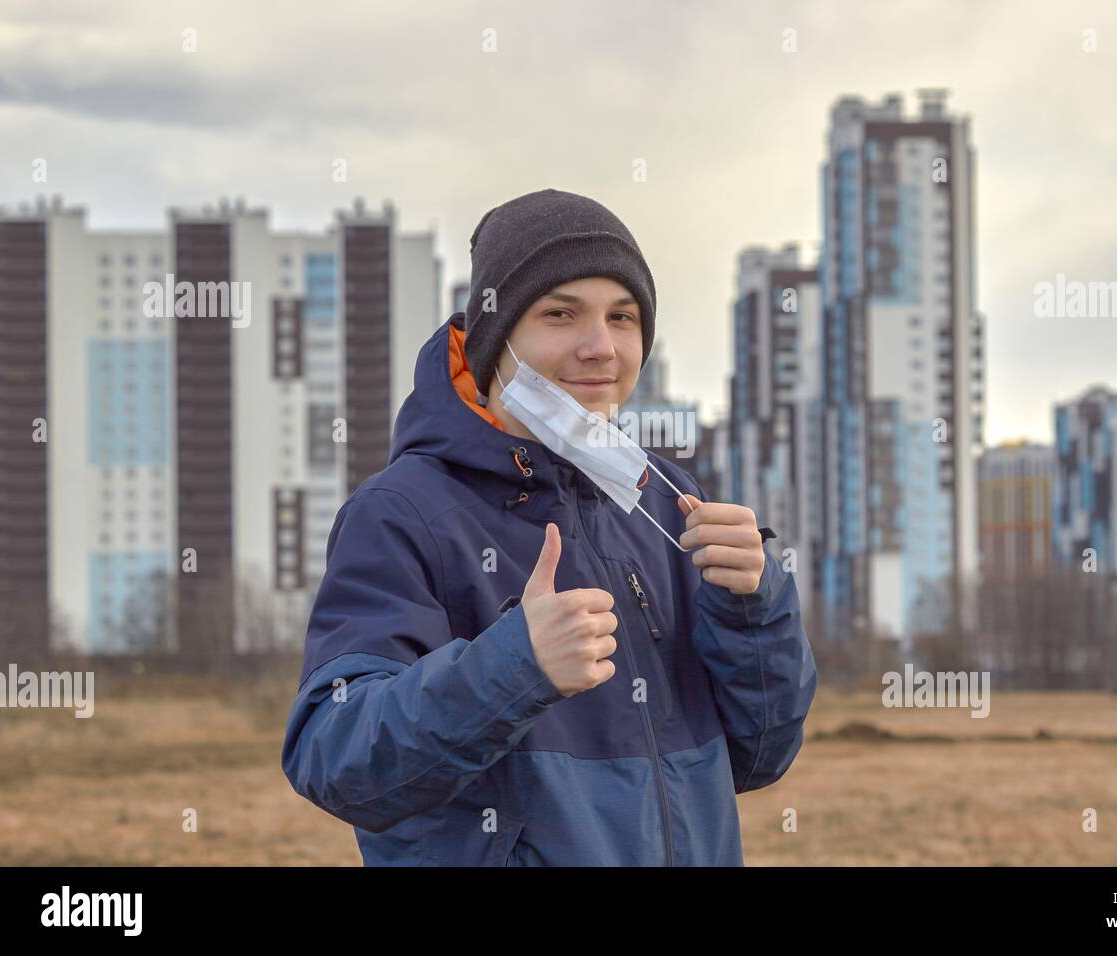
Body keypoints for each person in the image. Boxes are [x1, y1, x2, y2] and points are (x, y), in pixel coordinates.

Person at [281, 187, 817, 866]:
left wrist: (753, 609)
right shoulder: (402, 512)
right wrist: (512, 667)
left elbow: (761, 754)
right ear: (494, 341)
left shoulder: (667, 500)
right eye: (560, 315)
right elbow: (335, 758)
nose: (602, 348)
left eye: (622, 317)